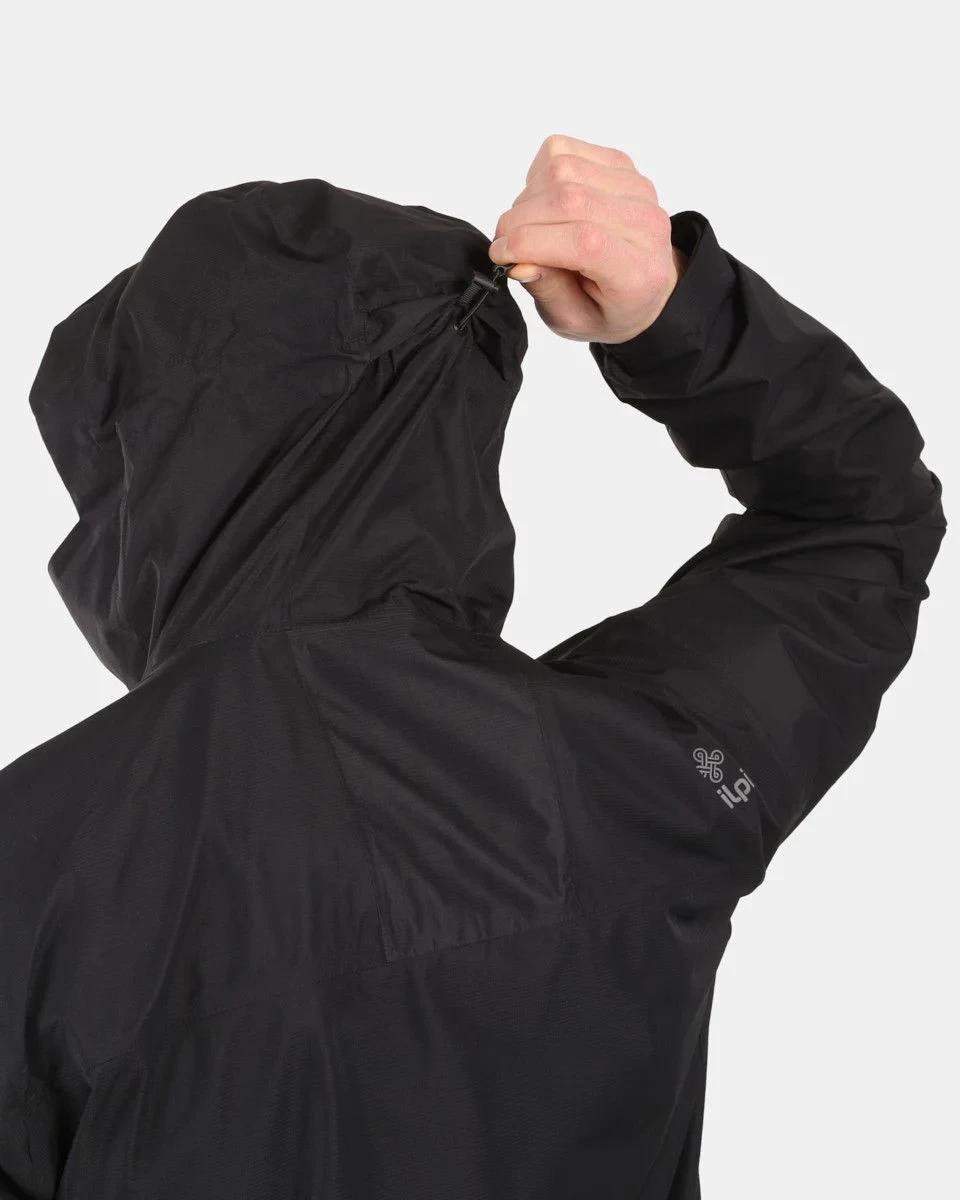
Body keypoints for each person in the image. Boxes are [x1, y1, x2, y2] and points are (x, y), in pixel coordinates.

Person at [0, 133, 946, 1199]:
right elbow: (861, 520)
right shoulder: (648, 773)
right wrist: (675, 313)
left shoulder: (39, 862)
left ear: (147, 464)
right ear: (451, 411)